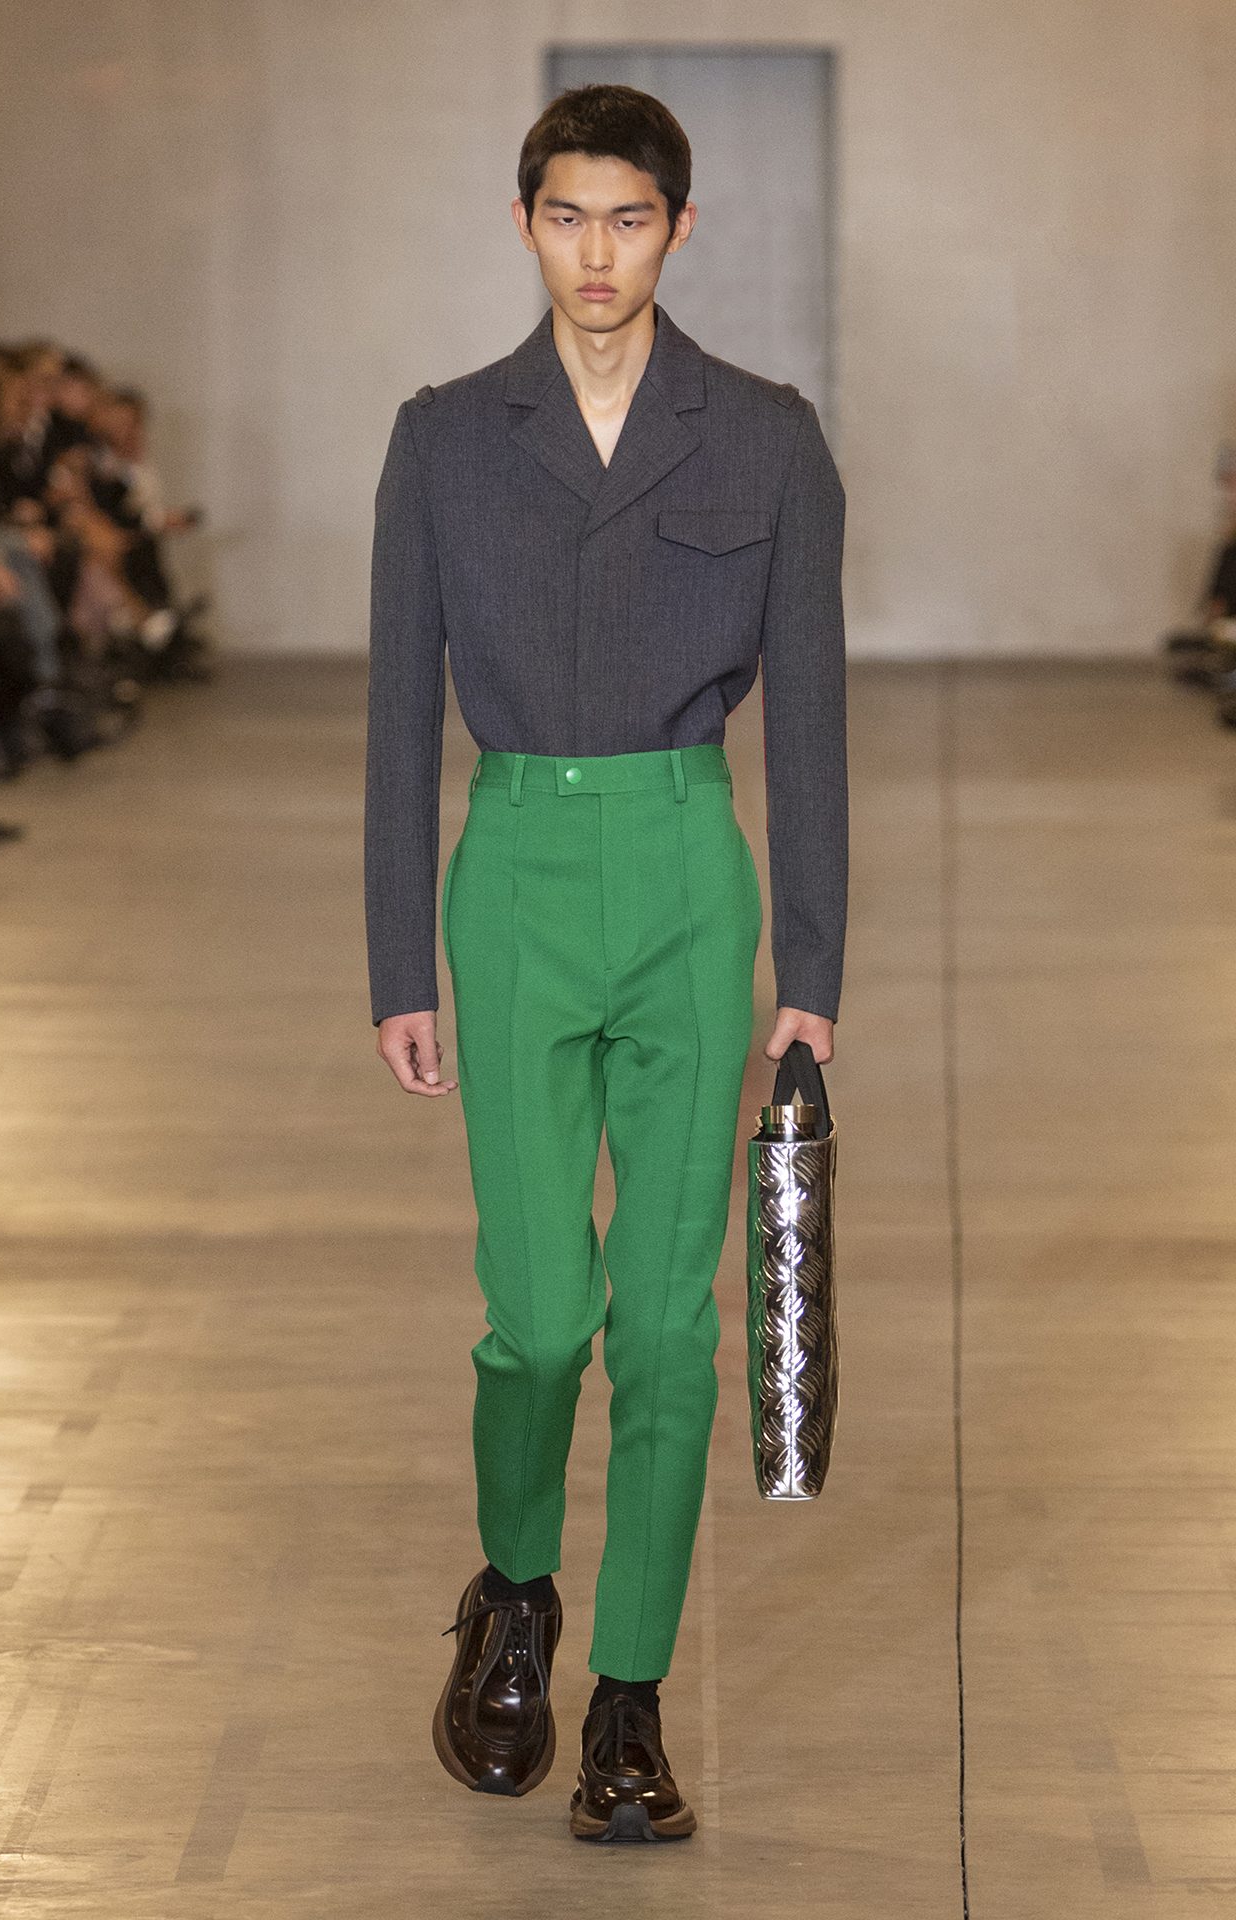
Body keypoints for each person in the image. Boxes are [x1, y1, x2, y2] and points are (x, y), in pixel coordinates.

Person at [364, 84, 847, 1843]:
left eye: (629, 219)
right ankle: (516, 1587)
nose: (596, 252)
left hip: (687, 877)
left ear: (678, 230)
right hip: (512, 877)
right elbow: (396, 713)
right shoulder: (445, 438)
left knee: (665, 1326)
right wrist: (395, 963)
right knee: (540, 1321)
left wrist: (814, 965)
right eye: (566, 216)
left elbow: (812, 712)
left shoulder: (767, 438)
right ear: (526, 225)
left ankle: (629, 1704)